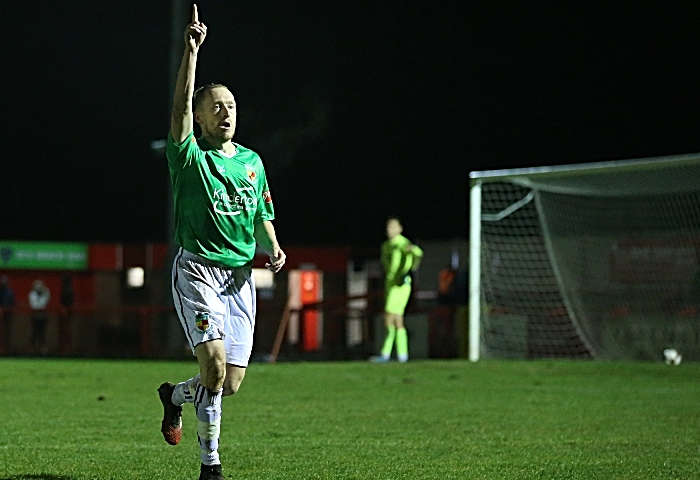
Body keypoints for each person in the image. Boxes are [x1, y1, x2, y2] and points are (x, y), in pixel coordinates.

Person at [157, 6, 286, 480]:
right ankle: (210, 465)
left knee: (228, 383)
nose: (226, 111)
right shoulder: (188, 154)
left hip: (239, 277)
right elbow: (177, 111)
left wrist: (272, 245)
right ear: (199, 117)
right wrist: (191, 54)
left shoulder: (251, 161)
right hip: (196, 270)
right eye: (216, 106)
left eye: (231, 105)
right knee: (211, 365)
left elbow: (261, 213)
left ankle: (173, 396)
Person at [374, 216, 423, 363]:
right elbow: (386, 263)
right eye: (389, 228)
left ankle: (386, 353)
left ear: (400, 229)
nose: (390, 230)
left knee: (389, 317)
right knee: (397, 319)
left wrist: (410, 262)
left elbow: (418, 254)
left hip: (401, 285)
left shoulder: (402, 243)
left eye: (393, 227)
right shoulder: (386, 246)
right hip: (390, 284)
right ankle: (402, 354)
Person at [28, 279, 51, 354]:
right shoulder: (32, 294)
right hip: (35, 317)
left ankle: (43, 349)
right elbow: (34, 304)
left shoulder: (45, 292)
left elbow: (45, 302)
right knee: (34, 333)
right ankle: (33, 349)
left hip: (43, 317)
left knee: (42, 333)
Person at [0, 275, 16, 351]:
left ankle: (7, 349)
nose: (3, 283)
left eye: (4, 282)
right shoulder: (0, 292)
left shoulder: (10, 292)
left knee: (7, 332)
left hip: (8, 315)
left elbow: (13, 303)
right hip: (0, 316)